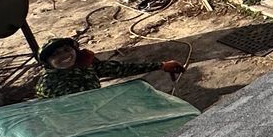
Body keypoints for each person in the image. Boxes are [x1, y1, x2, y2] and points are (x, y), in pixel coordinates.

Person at [33, 37, 182, 101]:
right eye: (55, 55)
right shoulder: (48, 85)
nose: (65, 56)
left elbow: (119, 69)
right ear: (48, 63)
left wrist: (161, 65)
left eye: (67, 50)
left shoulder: (83, 65)